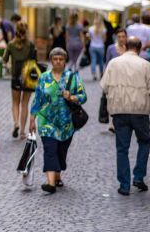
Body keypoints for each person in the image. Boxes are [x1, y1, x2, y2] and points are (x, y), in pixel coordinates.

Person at [100, 37, 150, 196]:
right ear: (140, 49)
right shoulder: (146, 65)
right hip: (140, 111)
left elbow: (105, 86)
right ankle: (139, 176)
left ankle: (124, 185)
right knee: (144, 142)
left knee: (122, 148)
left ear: (125, 46)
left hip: (119, 110)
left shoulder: (114, 63)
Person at [29, 47, 87, 194]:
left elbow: (83, 96)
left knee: (61, 151)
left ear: (65, 61)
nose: (58, 61)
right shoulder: (44, 77)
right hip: (46, 121)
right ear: (51, 61)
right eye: (55, 59)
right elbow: (38, 99)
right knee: (50, 150)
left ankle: (57, 175)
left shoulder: (72, 77)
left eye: (61, 59)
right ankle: (50, 184)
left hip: (66, 122)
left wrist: (72, 97)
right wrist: (32, 118)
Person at [2, 22, 36, 139]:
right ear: (26, 31)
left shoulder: (11, 45)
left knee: (15, 103)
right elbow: (35, 61)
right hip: (28, 78)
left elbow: (4, 60)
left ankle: (16, 123)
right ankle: (22, 131)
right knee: (25, 104)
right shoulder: (31, 45)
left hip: (15, 77)